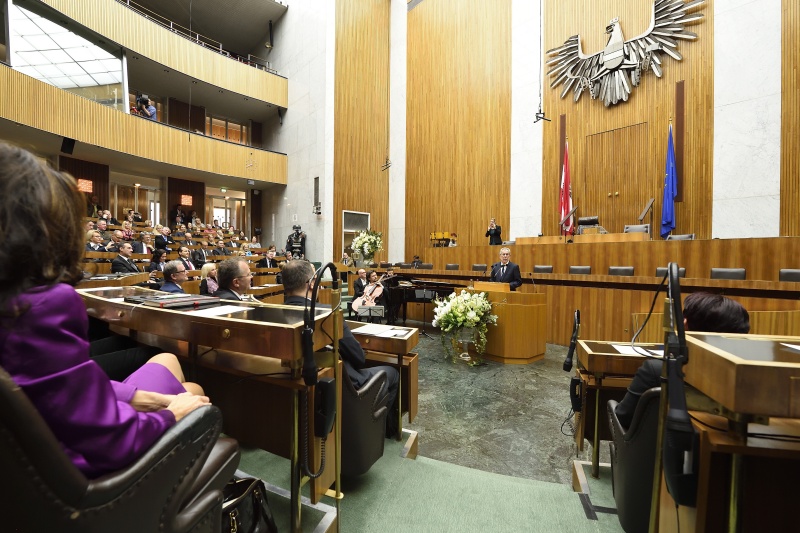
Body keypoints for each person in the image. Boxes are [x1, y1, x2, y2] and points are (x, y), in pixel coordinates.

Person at [0, 142, 208, 479]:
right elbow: (110, 440)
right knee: (194, 394)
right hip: (80, 475)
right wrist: (170, 415)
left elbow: (52, 385)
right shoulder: (40, 307)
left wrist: (142, 398)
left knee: (166, 362)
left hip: (43, 453)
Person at [281, 260, 400, 437]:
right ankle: (374, 429)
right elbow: (359, 358)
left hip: (300, 382)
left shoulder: (274, 311)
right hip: (342, 382)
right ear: (312, 283)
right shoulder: (326, 314)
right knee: (393, 373)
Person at [614, 293, 751, 429]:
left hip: (663, 449)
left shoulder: (658, 370)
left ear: (684, 324)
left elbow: (623, 417)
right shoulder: (749, 377)